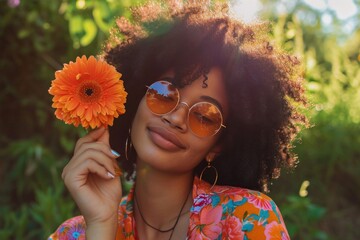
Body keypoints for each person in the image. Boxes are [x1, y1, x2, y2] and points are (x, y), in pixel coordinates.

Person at [49, 1, 307, 239]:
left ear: (217, 146)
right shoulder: (74, 234)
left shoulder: (248, 219)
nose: (175, 118)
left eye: (205, 116)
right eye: (163, 93)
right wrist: (101, 226)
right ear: (136, 99)